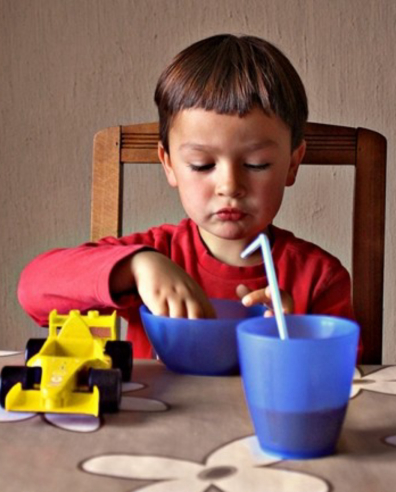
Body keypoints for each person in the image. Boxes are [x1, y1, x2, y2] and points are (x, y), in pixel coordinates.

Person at [18, 34, 355, 359]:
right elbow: (33, 289)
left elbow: (348, 384)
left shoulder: (319, 278)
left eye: (257, 164)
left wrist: (293, 337)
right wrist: (137, 266)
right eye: (202, 164)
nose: (229, 185)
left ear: (292, 164)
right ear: (169, 165)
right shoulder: (157, 254)